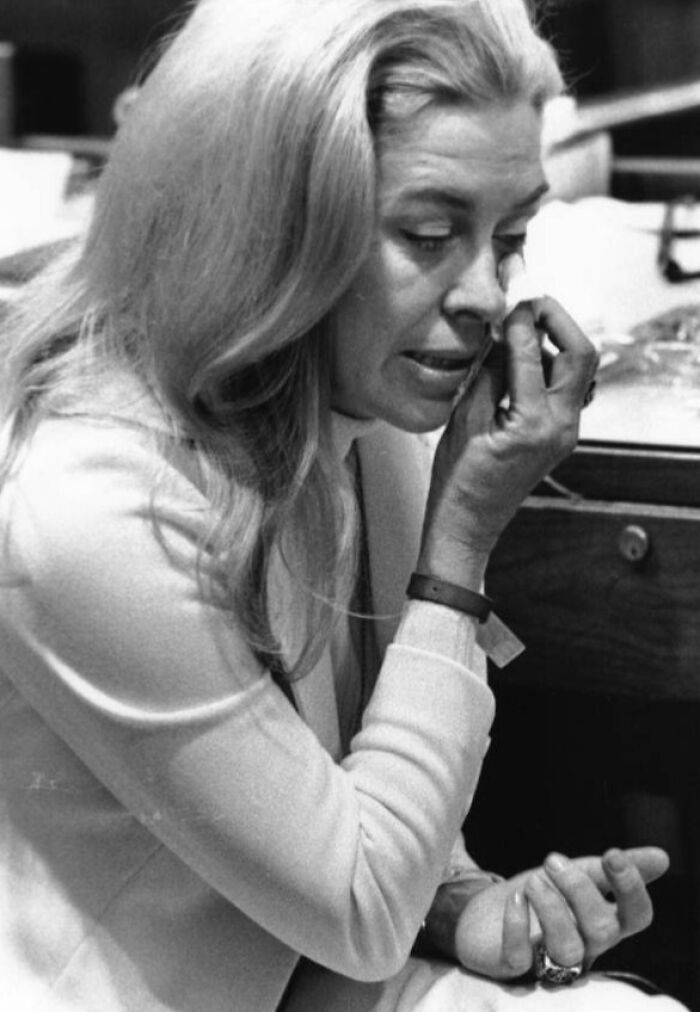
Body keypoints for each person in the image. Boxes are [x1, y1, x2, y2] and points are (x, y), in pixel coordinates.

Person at [0, 1, 688, 1010]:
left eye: (511, 234)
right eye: (427, 232)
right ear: (267, 224)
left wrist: (454, 900)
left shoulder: (361, 415)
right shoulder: (86, 502)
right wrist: (458, 546)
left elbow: (360, 847)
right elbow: (360, 906)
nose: (490, 299)